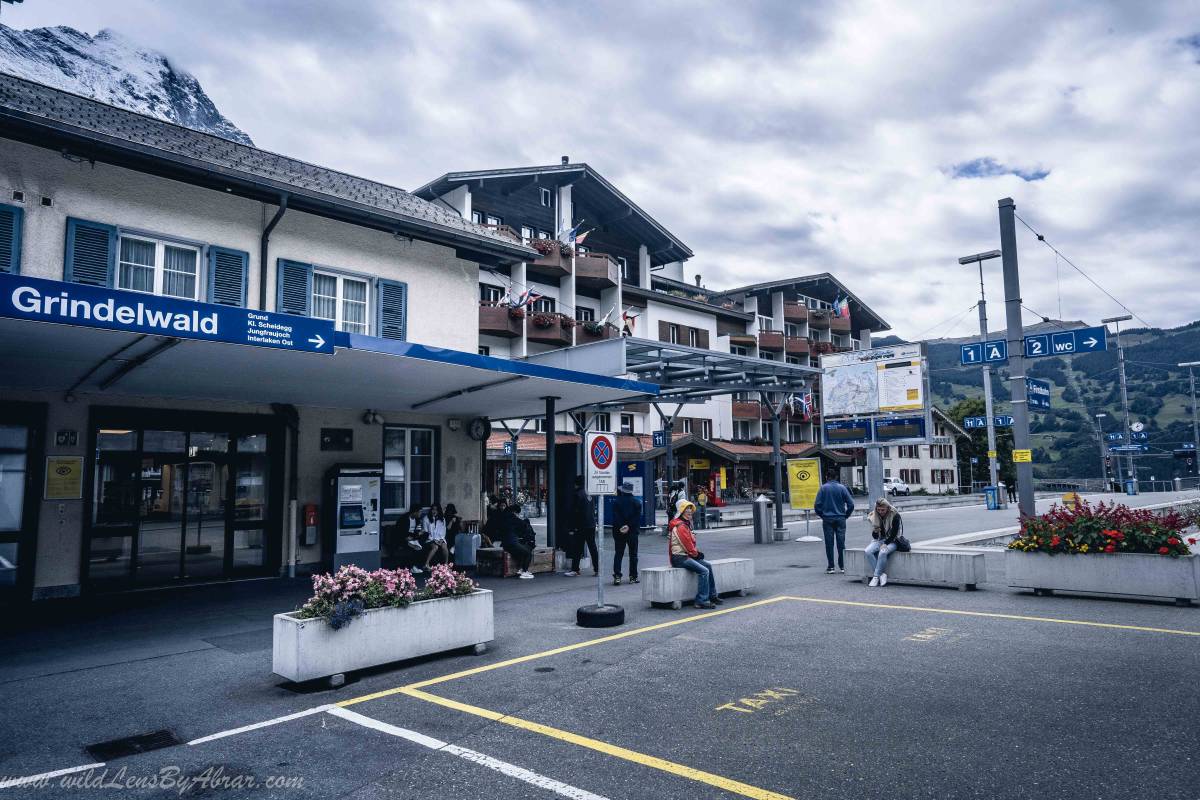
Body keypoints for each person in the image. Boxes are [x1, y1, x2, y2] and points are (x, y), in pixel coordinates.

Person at [667, 500, 720, 609]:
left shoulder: (685, 524)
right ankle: (701, 600)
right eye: (687, 509)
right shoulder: (681, 526)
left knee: (708, 566)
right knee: (704, 571)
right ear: (681, 511)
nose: (690, 511)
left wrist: (695, 553)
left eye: (690, 509)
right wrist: (696, 554)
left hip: (686, 555)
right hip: (679, 558)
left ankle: (712, 595)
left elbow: (689, 543)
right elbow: (687, 545)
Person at [814, 470, 855, 574]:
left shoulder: (823, 488)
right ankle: (843, 566)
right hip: (841, 518)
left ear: (827, 477)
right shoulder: (842, 488)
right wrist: (846, 515)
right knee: (841, 543)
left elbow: (817, 505)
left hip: (827, 519)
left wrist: (822, 515)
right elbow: (851, 504)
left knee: (829, 543)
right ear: (836, 477)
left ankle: (831, 567)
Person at [864, 497, 903, 587]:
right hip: (880, 539)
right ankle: (881, 574)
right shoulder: (874, 516)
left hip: (893, 540)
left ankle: (876, 577)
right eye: (878, 510)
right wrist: (875, 531)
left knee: (883, 552)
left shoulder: (895, 515)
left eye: (883, 510)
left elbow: (894, 534)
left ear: (887, 508)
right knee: (868, 551)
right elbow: (875, 537)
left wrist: (885, 544)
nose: (880, 512)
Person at [565, 475, 598, 577]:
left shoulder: (577, 494)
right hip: (591, 524)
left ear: (576, 484)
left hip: (581, 525)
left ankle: (575, 569)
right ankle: (597, 569)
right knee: (593, 547)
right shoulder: (590, 493)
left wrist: (571, 527)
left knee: (577, 548)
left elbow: (575, 512)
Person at [611, 481, 642, 585]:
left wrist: (622, 526)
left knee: (618, 553)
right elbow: (637, 518)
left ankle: (617, 576)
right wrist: (628, 526)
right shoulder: (637, 502)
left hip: (619, 532)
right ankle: (633, 577)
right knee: (633, 554)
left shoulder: (616, 502)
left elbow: (616, 517)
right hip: (632, 532)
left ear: (623, 490)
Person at [498, 501, 535, 579]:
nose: (518, 515)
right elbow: (523, 525)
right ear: (515, 512)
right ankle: (524, 572)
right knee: (528, 553)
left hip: (505, 544)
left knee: (522, 551)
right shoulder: (512, 517)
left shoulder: (503, 517)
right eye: (517, 513)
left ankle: (521, 570)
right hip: (512, 543)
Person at [422, 503, 450, 569]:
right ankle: (426, 564)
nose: (434, 511)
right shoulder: (426, 518)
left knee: (444, 546)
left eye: (436, 510)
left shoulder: (442, 519)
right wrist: (434, 540)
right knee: (435, 547)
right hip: (430, 539)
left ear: (439, 511)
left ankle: (446, 564)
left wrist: (441, 539)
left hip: (440, 538)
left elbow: (443, 531)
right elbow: (426, 532)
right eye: (433, 509)